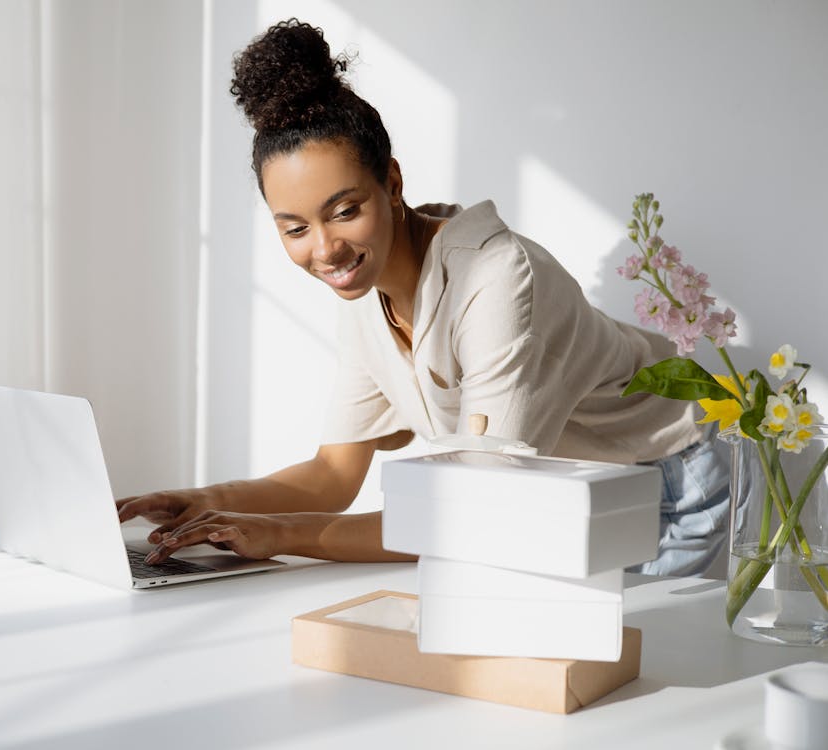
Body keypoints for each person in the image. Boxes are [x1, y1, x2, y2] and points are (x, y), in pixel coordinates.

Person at [116, 19, 730, 577]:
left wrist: (276, 533)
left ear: (392, 182)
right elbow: (333, 474)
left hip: (670, 485)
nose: (325, 250)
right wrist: (203, 504)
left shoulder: (498, 278)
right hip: (569, 493)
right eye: (296, 228)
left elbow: (473, 511)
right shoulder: (366, 292)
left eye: (344, 211)